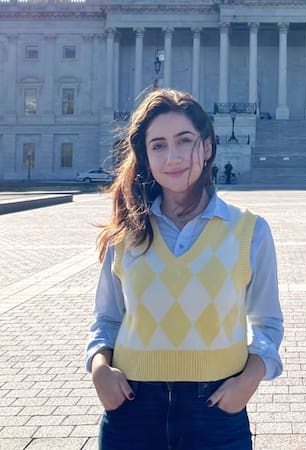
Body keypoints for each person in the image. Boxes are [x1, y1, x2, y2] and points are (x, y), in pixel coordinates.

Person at [85, 88, 283, 449]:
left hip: (217, 410)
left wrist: (249, 380)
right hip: (131, 407)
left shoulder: (249, 230)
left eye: (184, 141)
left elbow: (267, 322)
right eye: (158, 145)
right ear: (145, 156)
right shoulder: (126, 231)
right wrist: (100, 370)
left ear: (207, 147)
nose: (172, 157)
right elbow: (107, 318)